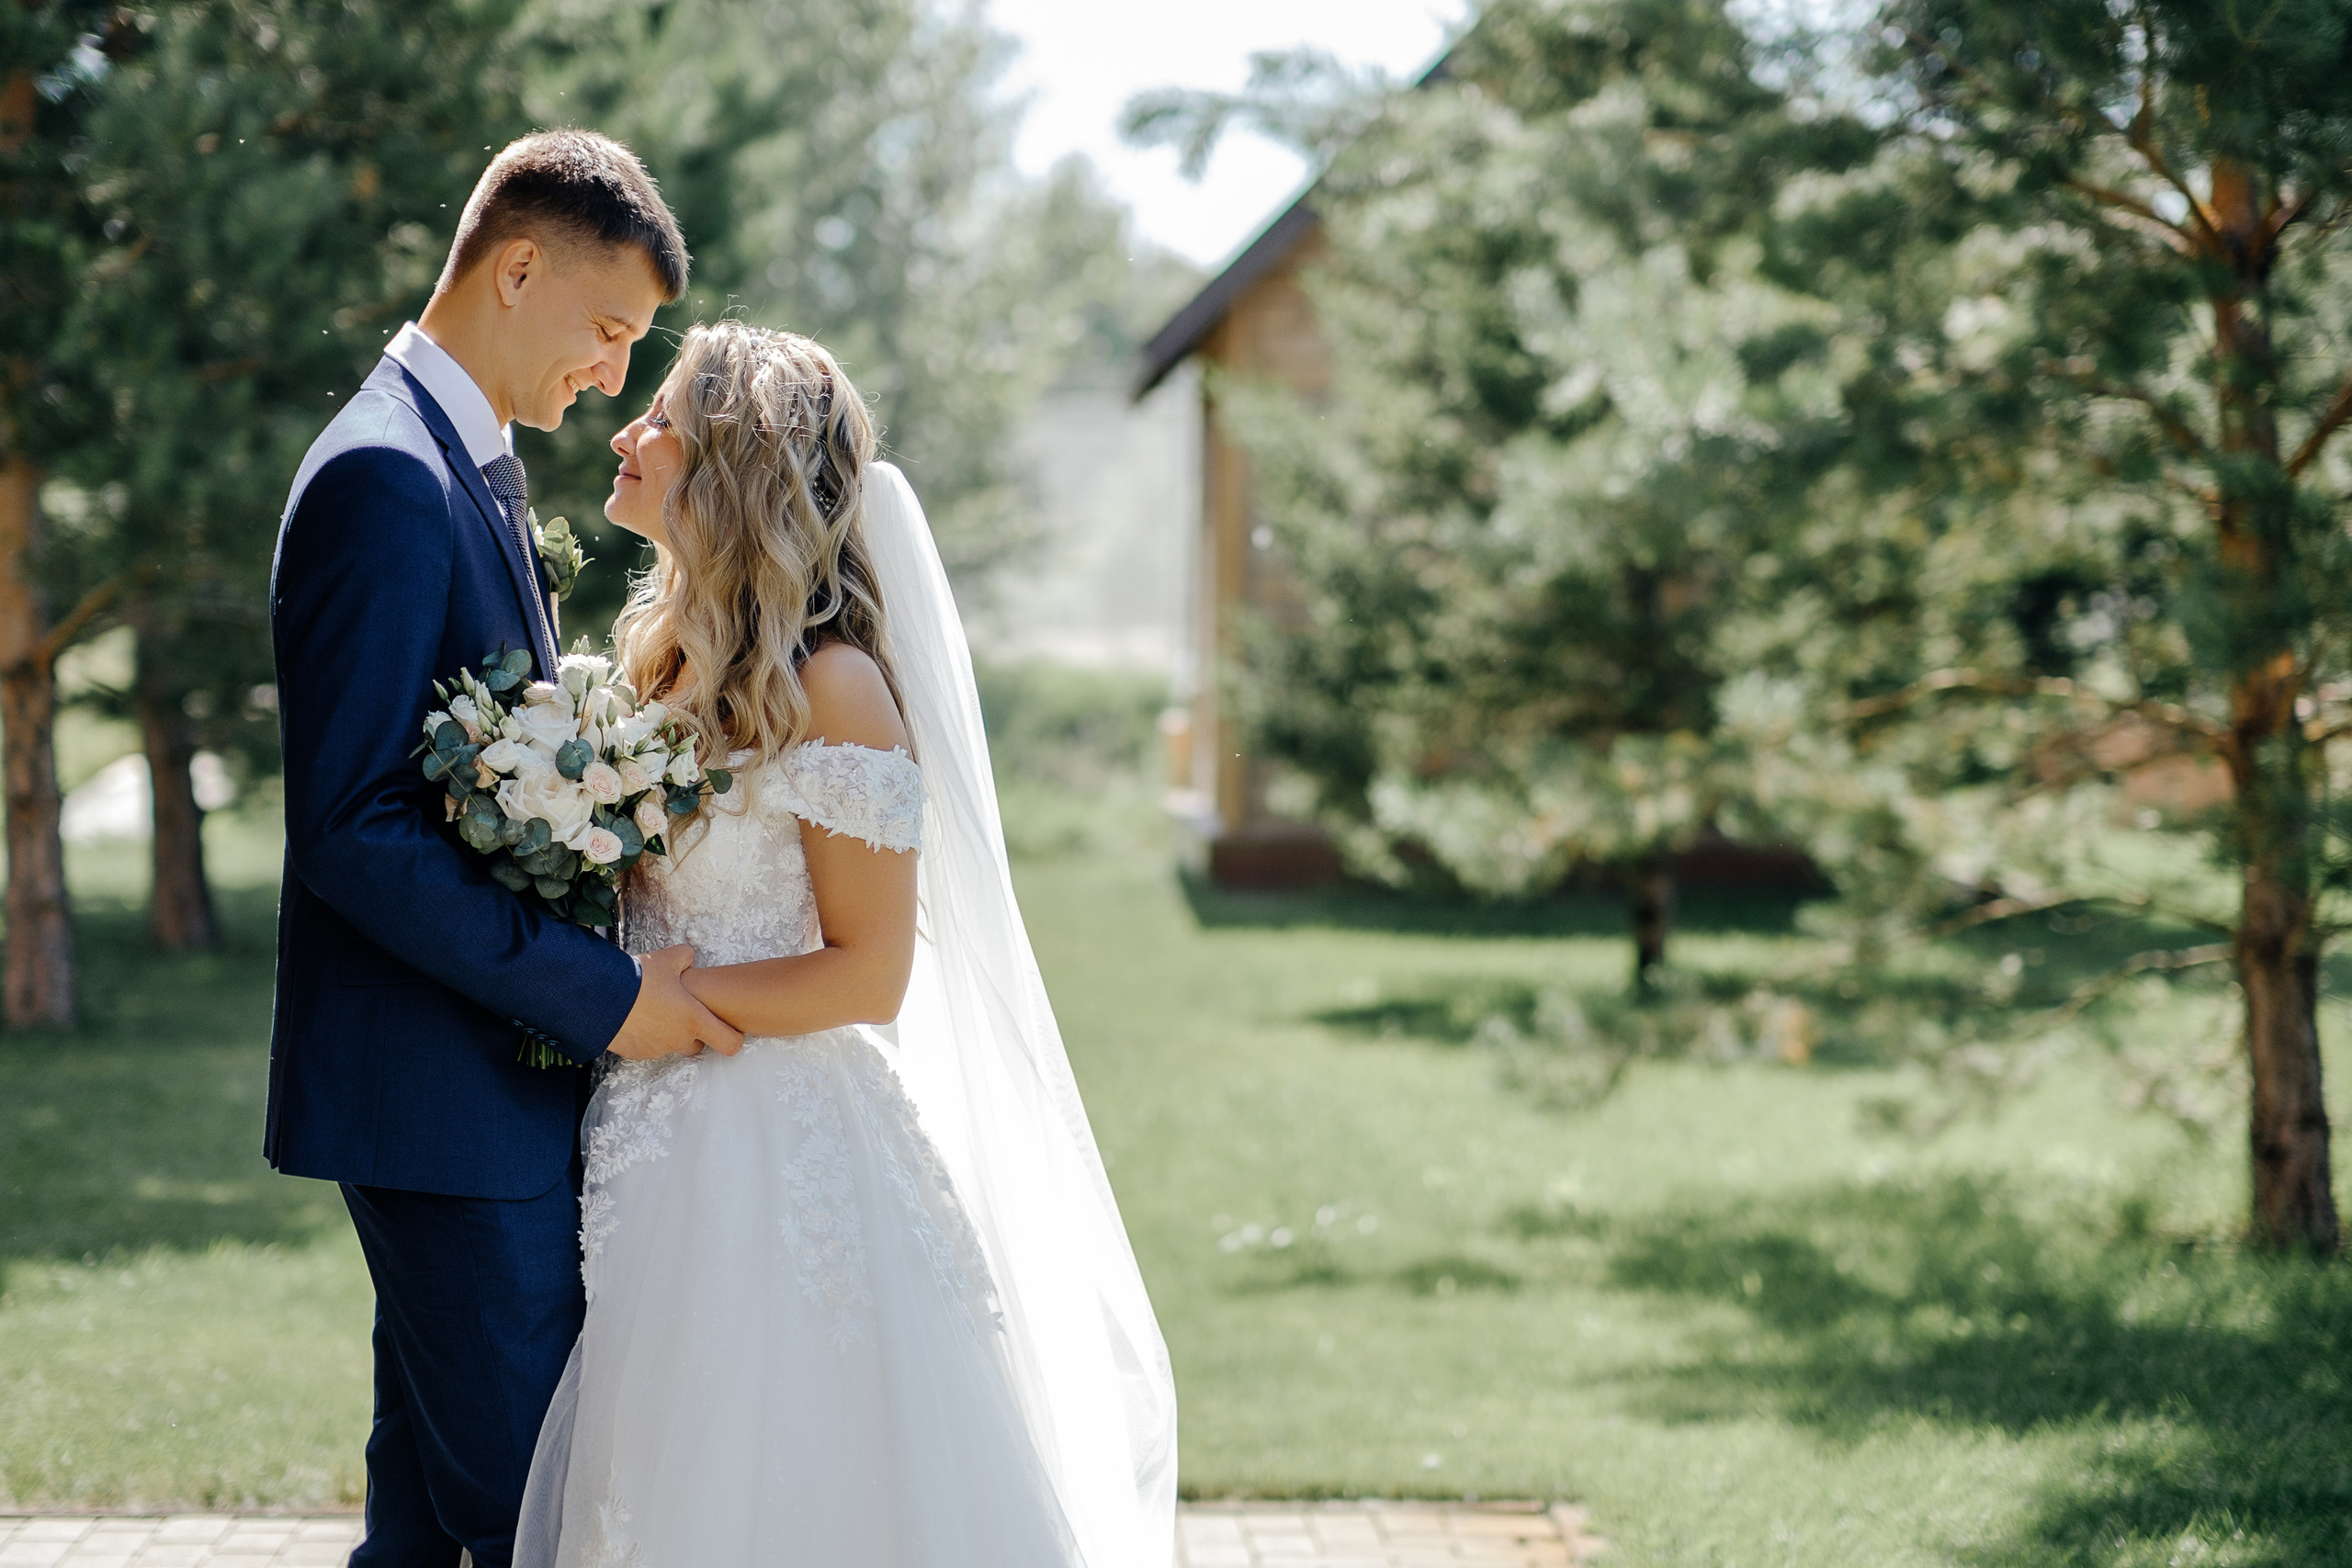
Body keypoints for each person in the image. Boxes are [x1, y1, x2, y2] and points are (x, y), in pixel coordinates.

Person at [512, 321, 1178, 1567]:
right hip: (640, 1131)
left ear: (731, 471)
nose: (625, 433)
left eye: (660, 419)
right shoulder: (657, 669)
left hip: (773, 1154)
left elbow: (871, 973)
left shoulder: (835, 687)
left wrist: (658, 998)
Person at [268, 131, 742, 1568]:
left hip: (464, 1092)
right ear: (517, 267)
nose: (611, 376)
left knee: (424, 1531)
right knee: (534, 1521)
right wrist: (608, 999)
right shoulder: (386, 479)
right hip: (443, 1101)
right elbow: (353, 828)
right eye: (608, 332)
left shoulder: (457, 464)